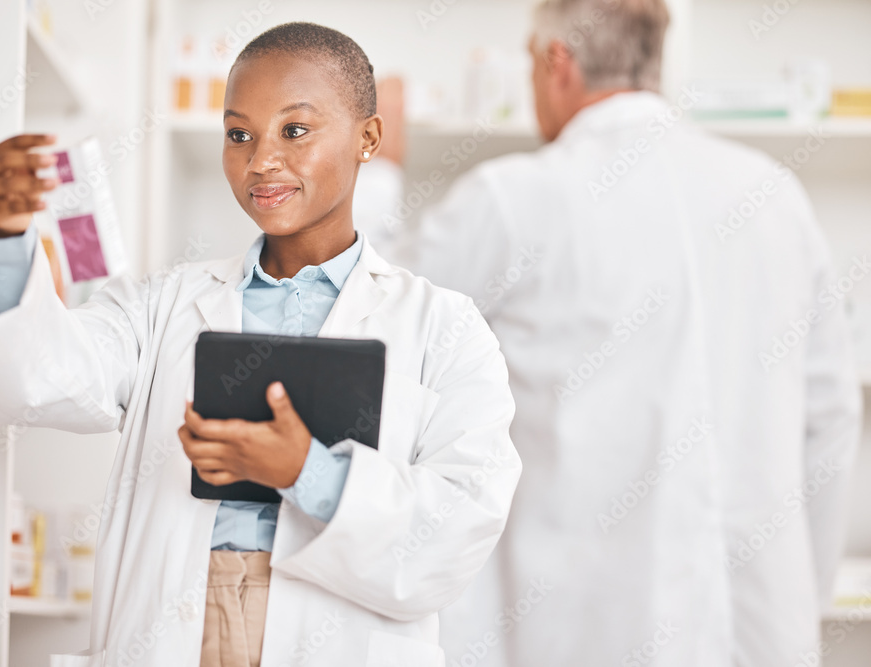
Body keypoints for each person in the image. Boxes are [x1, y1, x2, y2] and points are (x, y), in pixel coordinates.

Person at [0, 22, 520, 667]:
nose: (260, 159)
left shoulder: (445, 327)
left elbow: (461, 525)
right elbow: (34, 377)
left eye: (294, 131)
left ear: (369, 139)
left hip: (333, 631)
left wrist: (306, 472)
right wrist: (0, 234)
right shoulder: (162, 305)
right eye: (239, 133)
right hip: (175, 626)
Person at [358, 0, 862, 665]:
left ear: (557, 64)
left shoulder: (516, 199)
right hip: (763, 630)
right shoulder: (773, 194)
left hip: (583, 630)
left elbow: (370, 328)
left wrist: (376, 172)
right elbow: (832, 414)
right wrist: (801, 590)